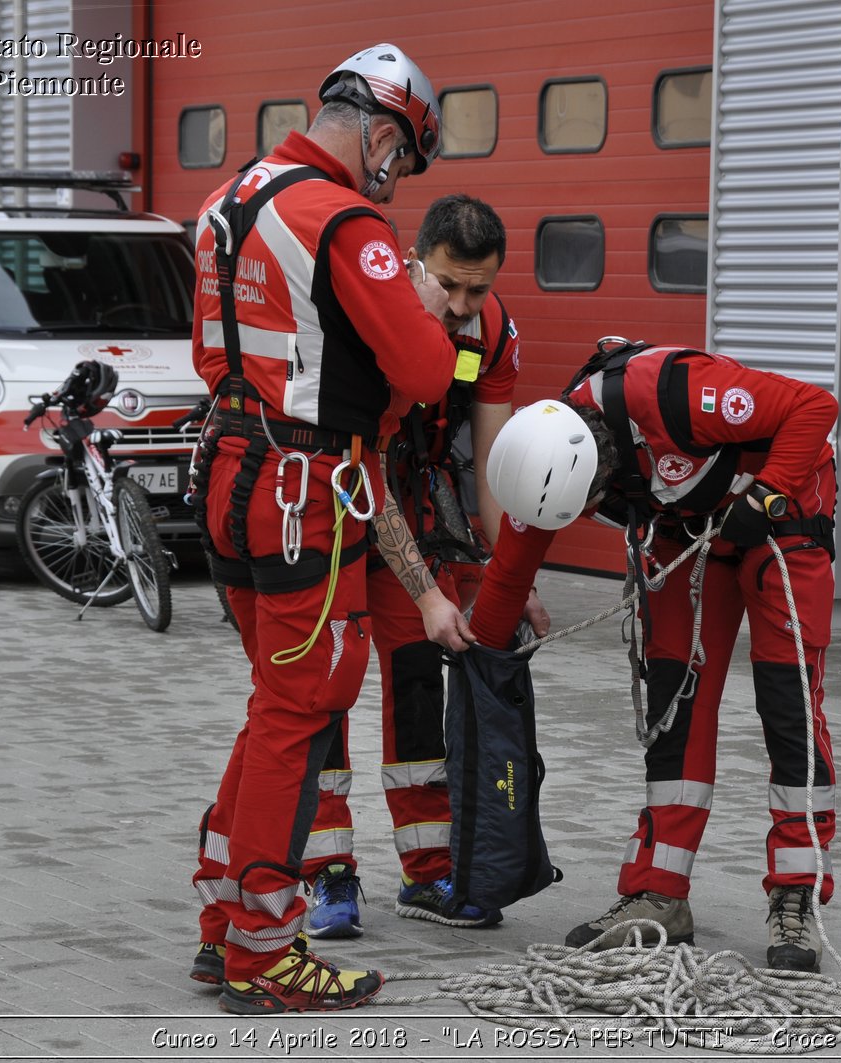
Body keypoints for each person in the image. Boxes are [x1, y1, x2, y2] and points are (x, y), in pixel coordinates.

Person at [186, 43, 476, 1015]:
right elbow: (433, 374)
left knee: (275, 702)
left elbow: (210, 351)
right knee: (301, 713)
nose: (398, 180)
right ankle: (265, 951)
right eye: (405, 158)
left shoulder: (225, 204)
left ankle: (223, 920)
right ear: (387, 132)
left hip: (228, 467)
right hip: (302, 489)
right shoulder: (345, 219)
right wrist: (423, 321)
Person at [469, 339, 840, 973]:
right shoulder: (545, 454)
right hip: (686, 530)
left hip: (780, 516)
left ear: (599, 472)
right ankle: (658, 895)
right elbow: (508, 576)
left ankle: (795, 897)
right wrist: (478, 664)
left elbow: (814, 405)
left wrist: (766, 494)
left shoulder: (676, 396)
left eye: (589, 507)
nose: (588, 518)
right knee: (677, 708)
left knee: (788, 708)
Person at [305, 193, 546, 936]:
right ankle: (327, 873)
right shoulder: (376, 320)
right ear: (414, 263)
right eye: (450, 285)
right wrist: (432, 590)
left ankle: (430, 871)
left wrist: (512, 575)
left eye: (480, 288)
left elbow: (495, 469)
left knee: (416, 679)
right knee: (324, 690)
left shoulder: (494, 334)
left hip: (412, 509)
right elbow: (363, 466)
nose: (463, 305)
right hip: (333, 502)